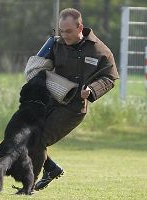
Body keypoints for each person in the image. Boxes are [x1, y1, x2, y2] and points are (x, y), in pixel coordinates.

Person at [34, 8, 119, 191]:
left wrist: (92, 89)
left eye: (69, 31)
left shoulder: (99, 50)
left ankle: (29, 185)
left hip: (73, 108)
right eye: (62, 31)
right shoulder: (56, 44)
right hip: (51, 100)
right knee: (27, 135)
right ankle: (50, 168)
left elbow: (110, 78)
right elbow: (38, 66)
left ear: (80, 26)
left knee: (38, 139)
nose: (64, 35)